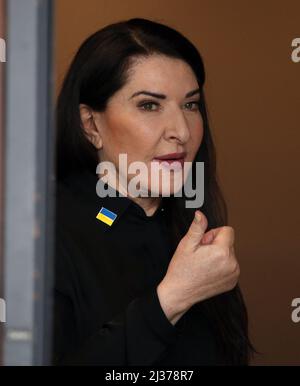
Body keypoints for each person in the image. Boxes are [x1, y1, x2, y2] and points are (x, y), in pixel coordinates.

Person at [53, 17, 254, 366]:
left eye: (190, 105)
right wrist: (171, 298)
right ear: (91, 125)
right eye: (149, 105)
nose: (181, 131)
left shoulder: (191, 222)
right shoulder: (43, 233)